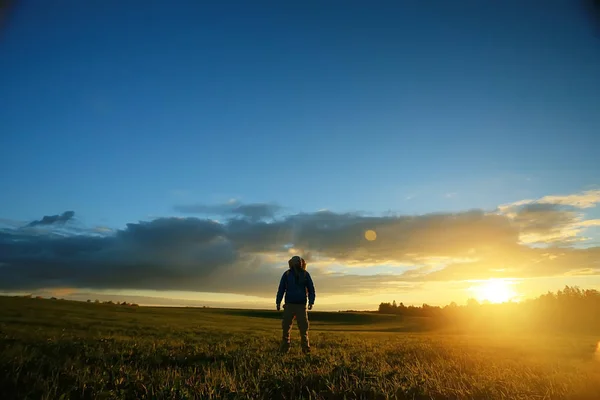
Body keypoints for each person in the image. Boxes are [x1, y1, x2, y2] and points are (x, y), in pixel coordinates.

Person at [275, 255, 316, 354]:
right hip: (289, 305)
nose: (297, 264)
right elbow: (281, 289)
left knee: (304, 328)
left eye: (298, 262)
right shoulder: (287, 274)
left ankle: (306, 349)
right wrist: (278, 302)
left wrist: (311, 302)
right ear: (291, 263)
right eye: (295, 262)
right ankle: (285, 349)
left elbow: (311, 289)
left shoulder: (305, 274)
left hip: (301, 305)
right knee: (286, 328)